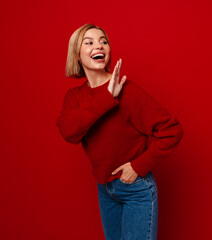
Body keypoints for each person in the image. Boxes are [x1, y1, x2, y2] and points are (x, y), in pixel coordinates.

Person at [56, 23, 184, 240]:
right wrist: (107, 98)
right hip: (105, 190)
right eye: (89, 42)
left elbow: (172, 129)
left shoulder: (128, 91)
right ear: (77, 55)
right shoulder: (75, 97)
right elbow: (69, 132)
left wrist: (138, 166)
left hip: (136, 190)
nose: (99, 45)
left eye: (103, 41)